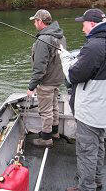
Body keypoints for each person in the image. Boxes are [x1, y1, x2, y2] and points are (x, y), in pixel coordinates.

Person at [58, 9, 106, 191]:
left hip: (90, 110)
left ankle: (86, 187)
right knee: (98, 146)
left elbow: (73, 75)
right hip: (104, 109)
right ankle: (96, 181)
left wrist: (65, 57)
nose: (82, 28)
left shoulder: (93, 47)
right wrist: (81, 58)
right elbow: (103, 65)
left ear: (92, 24)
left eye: (83, 24)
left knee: (86, 152)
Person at [27, 9, 67, 148]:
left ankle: (46, 138)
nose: (34, 24)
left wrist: (31, 86)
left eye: (35, 21)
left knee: (45, 111)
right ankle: (54, 133)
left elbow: (40, 67)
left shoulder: (43, 39)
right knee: (54, 106)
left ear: (40, 22)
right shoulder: (60, 36)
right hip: (57, 80)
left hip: (46, 82)